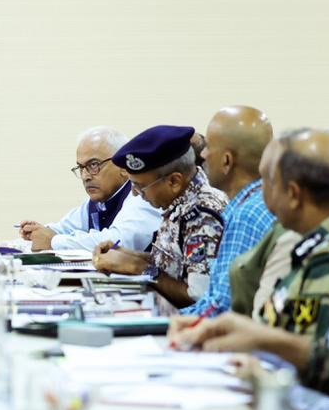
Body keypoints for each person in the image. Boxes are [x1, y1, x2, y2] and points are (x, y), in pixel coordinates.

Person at [171, 129, 329, 349]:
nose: (259, 192)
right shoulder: (308, 245)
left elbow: (314, 357)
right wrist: (230, 329)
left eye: (266, 180)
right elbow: (278, 322)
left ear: (293, 194)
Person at [93, 125, 228, 308]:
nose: (135, 193)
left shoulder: (201, 216)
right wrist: (127, 256)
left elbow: (198, 297)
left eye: (141, 186)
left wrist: (140, 268)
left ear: (174, 181)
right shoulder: (179, 200)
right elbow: (174, 266)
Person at [182, 106, 276, 317]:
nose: (203, 155)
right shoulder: (260, 203)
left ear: (226, 160)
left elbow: (222, 308)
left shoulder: (247, 216)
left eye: (208, 147)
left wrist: (164, 323)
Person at [18, 127, 161, 252]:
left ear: (123, 166)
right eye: (81, 168)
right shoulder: (97, 202)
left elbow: (118, 242)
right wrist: (39, 231)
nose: (85, 176)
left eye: (93, 165)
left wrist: (53, 241)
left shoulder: (143, 195)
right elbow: (65, 228)